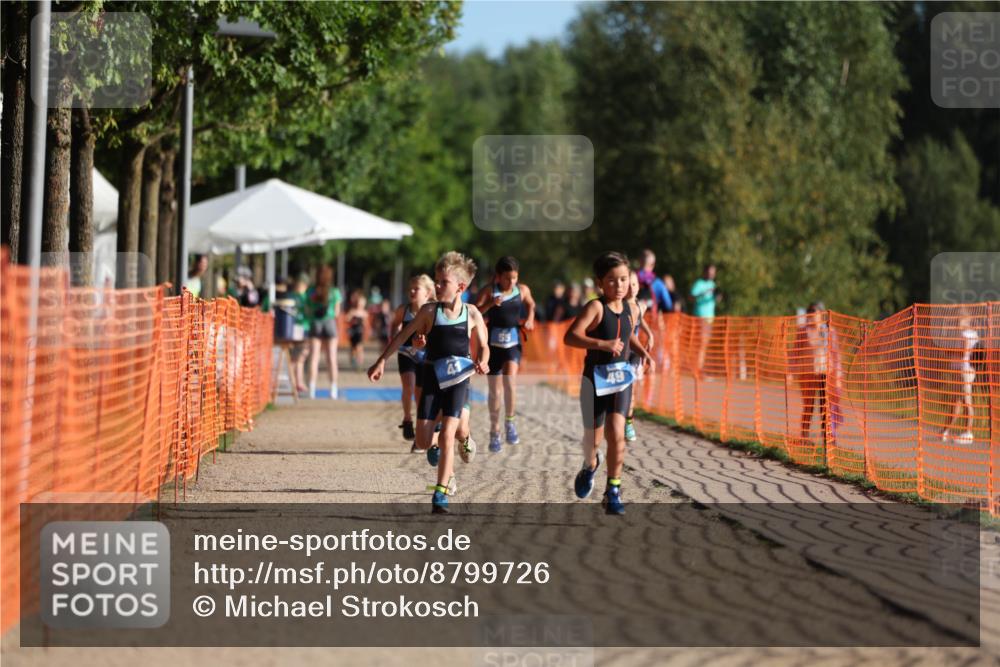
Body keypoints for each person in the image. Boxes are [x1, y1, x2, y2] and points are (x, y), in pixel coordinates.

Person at [367, 252, 489, 513]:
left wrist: (484, 360)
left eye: (442, 282)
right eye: (436, 281)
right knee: (423, 441)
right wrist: (380, 361)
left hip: (459, 379)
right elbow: (402, 338)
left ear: (460, 287)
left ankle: (441, 492)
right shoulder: (429, 311)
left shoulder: (472, 313)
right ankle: (448, 462)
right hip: (433, 379)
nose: (437, 287)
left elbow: (484, 345)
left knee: (449, 434)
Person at [564, 251, 654, 515]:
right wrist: (601, 344)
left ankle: (612, 490)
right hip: (594, 381)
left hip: (621, 380)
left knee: (617, 434)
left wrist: (644, 352)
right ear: (600, 282)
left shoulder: (632, 308)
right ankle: (591, 465)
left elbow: (628, 338)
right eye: (612, 280)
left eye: (624, 279)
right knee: (593, 441)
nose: (619, 286)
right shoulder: (595, 307)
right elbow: (570, 337)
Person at [476, 256, 536, 453]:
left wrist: (530, 319)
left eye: (514, 278)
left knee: (510, 381)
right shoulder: (489, 291)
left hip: (513, 342)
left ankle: (510, 422)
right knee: (495, 391)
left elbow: (531, 304)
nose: (511, 282)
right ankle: (494, 430)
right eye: (507, 278)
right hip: (492, 346)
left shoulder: (522, 290)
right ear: (498, 277)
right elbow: (474, 312)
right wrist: (490, 305)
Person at [391, 274, 435, 442]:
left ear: (428, 293)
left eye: (416, 288)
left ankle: (420, 424)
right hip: (406, 353)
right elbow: (394, 324)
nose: (412, 291)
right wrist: (393, 338)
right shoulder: (404, 309)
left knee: (420, 393)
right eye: (411, 287)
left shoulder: (432, 311)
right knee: (408, 386)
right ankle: (407, 418)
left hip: (424, 356)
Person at [792, 302, 842, 447]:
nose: (812, 317)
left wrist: (838, 376)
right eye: (810, 314)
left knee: (825, 407)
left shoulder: (829, 331)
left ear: (821, 314)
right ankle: (804, 437)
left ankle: (829, 439)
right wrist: (791, 371)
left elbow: (836, 355)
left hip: (826, 373)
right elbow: (795, 352)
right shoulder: (803, 331)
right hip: (807, 373)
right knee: (808, 406)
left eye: (815, 313)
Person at [624, 269, 655, 442]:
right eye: (628, 284)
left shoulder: (639, 305)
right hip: (622, 352)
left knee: (632, 391)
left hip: (634, 354)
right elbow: (628, 332)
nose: (631, 288)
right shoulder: (620, 307)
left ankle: (628, 423)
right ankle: (617, 418)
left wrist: (650, 334)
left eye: (634, 284)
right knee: (621, 390)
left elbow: (640, 320)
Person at [942, 313, 979, 445]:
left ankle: (968, 433)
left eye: (959, 321)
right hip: (959, 371)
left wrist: (951, 349)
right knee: (956, 401)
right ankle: (945, 430)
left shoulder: (967, 334)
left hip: (965, 371)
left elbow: (963, 351)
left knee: (966, 401)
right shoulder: (963, 334)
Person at [307, 265, 342, 400]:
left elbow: (308, 309)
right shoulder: (334, 291)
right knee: (331, 358)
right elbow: (337, 312)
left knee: (314, 357)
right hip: (329, 323)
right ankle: (333, 388)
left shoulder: (311, 291)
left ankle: (312, 388)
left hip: (315, 323)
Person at [691, 264, 720, 375]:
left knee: (703, 344)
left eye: (713, 272)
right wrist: (704, 293)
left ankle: (698, 367)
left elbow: (713, 299)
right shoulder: (699, 283)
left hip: (709, 318)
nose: (711, 274)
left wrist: (717, 298)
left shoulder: (713, 284)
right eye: (709, 272)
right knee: (701, 343)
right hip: (700, 317)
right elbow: (691, 296)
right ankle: (697, 368)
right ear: (705, 272)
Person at [288, 273, 312, 395]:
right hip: (295, 328)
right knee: (294, 357)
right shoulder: (293, 296)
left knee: (301, 358)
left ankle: (299, 382)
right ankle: (293, 382)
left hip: (304, 328)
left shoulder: (306, 297)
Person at [636, 249, 673, 314]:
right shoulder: (658, 283)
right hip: (651, 321)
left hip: (633, 321)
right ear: (653, 264)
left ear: (639, 261)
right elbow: (668, 305)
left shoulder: (631, 278)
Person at [345, 290, 367, 369]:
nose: (359, 304)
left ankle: (360, 363)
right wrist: (351, 318)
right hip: (353, 332)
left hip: (360, 333)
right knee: (353, 348)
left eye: (361, 303)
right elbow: (346, 319)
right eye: (358, 302)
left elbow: (365, 324)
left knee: (359, 347)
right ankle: (353, 361)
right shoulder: (352, 311)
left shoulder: (364, 313)